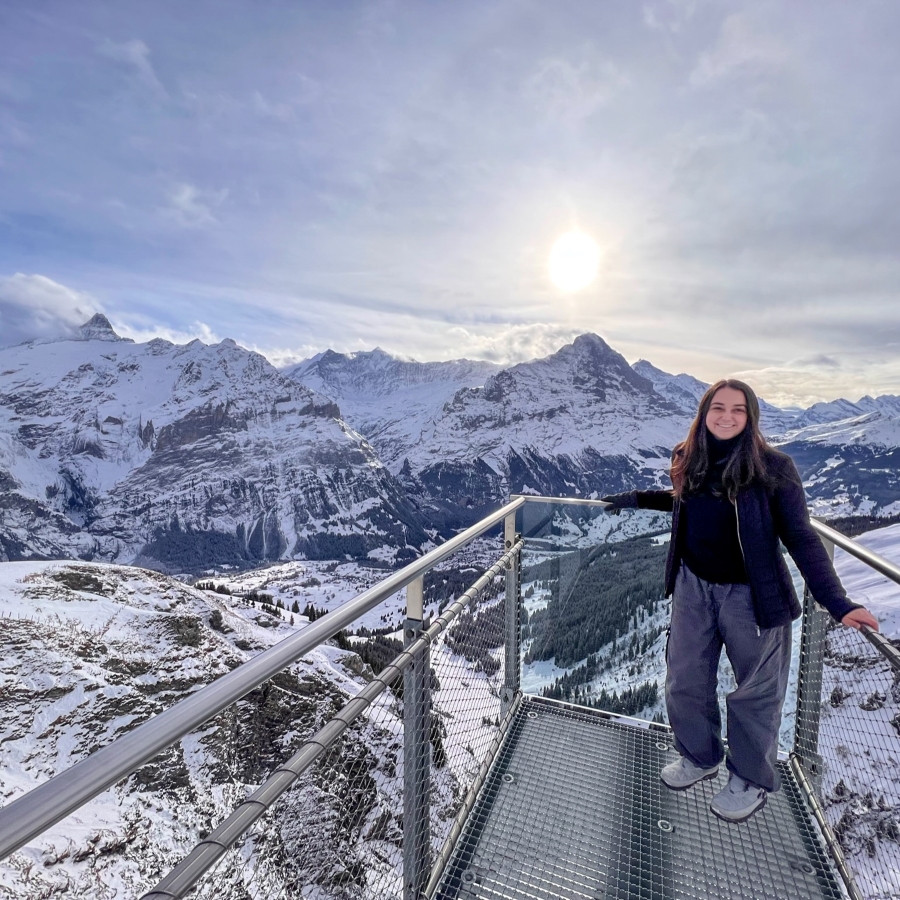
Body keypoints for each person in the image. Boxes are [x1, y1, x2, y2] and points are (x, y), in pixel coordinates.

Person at [602, 379, 879, 823]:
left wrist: (837, 601)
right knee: (684, 680)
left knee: (755, 693)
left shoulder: (774, 468)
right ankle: (699, 755)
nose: (727, 416)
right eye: (718, 408)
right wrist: (636, 500)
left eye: (738, 409)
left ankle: (748, 778)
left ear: (751, 416)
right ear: (704, 412)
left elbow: (801, 537)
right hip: (693, 586)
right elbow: (685, 503)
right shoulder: (688, 456)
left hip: (752, 596)